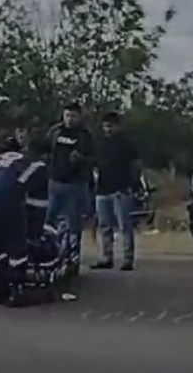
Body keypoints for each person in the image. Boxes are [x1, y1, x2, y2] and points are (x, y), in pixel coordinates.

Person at [0, 134, 47, 305]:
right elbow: (38, 204)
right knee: (17, 246)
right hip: (6, 197)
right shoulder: (39, 165)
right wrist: (34, 233)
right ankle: (17, 292)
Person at [44, 102, 94, 273]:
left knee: (73, 224)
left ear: (80, 117)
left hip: (75, 184)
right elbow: (44, 151)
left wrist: (81, 160)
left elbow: (94, 158)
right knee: (49, 221)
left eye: (73, 116)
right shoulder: (55, 132)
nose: (70, 119)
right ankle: (48, 255)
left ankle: (73, 259)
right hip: (55, 182)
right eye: (67, 115)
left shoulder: (85, 135)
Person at [91, 111, 140, 271]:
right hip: (102, 189)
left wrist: (133, 186)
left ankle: (127, 259)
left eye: (111, 126)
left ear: (118, 127)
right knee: (104, 226)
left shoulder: (126, 144)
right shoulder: (98, 143)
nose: (108, 130)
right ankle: (107, 257)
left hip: (121, 189)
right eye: (105, 126)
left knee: (124, 226)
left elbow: (135, 166)